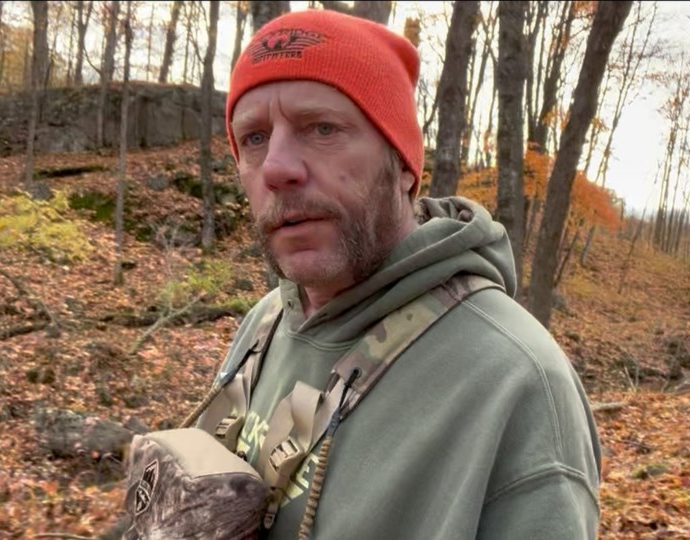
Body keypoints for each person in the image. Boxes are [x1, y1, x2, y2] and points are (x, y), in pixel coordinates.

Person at [214, 8, 602, 539]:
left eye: (322, 128)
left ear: (401, 163)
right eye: (254, 138)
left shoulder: (514, 383)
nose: (277, 168)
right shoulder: (265, 325)